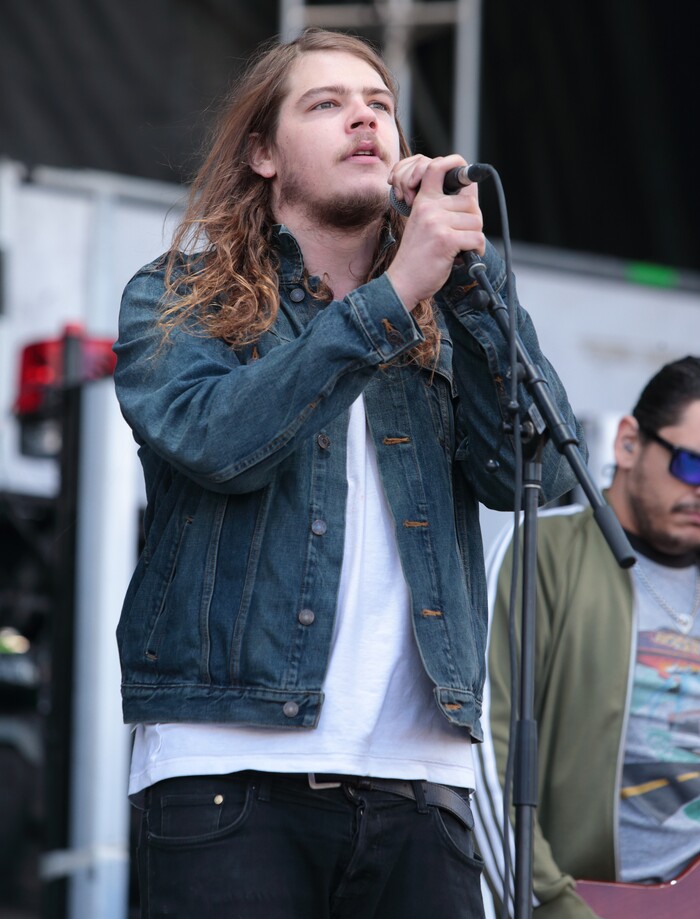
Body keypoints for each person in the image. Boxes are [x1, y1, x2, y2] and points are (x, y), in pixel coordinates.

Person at [112, 27, 583, 919]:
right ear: (261, 152)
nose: (363, 118)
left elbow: (544, 472)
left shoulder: (447, 309)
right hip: (231, 768)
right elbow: (220, 443)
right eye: (325, 104)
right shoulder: (178, 296)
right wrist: (392, 296)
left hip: (421, 779)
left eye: (380, 106)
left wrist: (470, 285)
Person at [473, 356, 700, 918]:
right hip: (585, 900)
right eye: (691, 465)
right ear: (628, 443)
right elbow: (481, 745)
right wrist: (549, 902)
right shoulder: (543, 549)